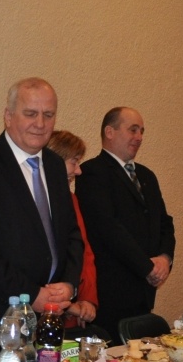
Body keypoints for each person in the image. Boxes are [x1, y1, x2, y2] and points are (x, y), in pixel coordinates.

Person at [0, 78, 85, 362]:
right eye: (30, 113)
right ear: (8, 116)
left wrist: (69, 284)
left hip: (52, 316)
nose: (40, 123)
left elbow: (72, 235)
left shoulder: (54, 165)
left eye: (48, 115)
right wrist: (31, 295)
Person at [75, 106, 176, 341]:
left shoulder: (147, 176)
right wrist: (147, 267)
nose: (139, 137)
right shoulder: (92, 173)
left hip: (144, 293)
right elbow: (108, 229)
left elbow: (165, 223)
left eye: (142, 131)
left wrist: (164, 259)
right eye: (133, 130)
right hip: (112, 293)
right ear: (109, 132)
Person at [45, 129, 105, 339]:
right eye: (74, 162)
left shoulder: (71, 199)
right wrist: (67, 304)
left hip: (70, 315)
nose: (78, 171)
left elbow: (83, 252)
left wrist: (87, 299)